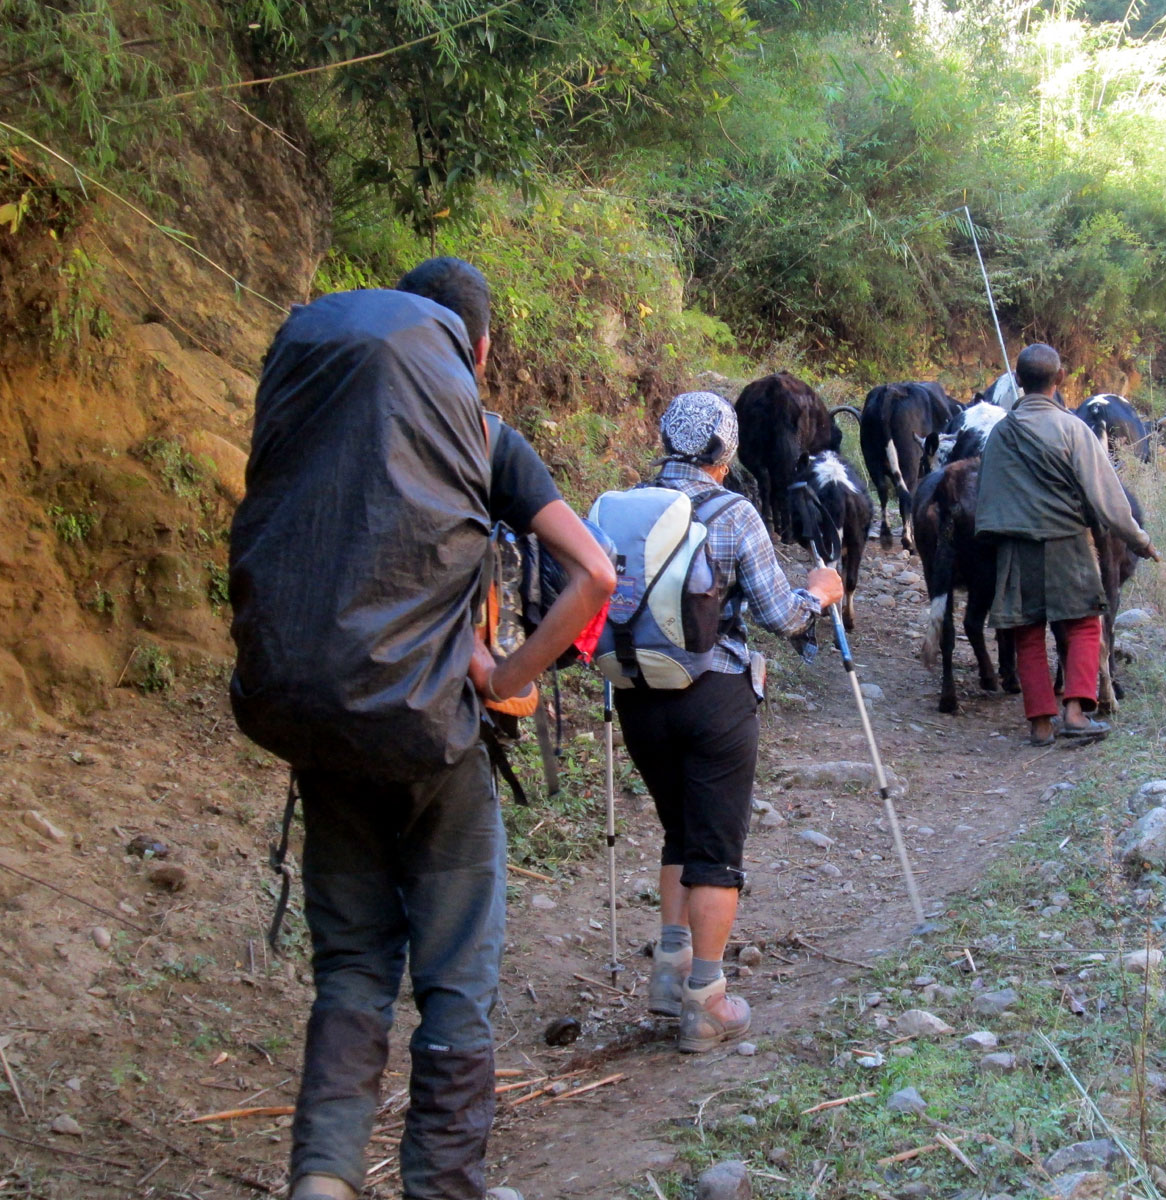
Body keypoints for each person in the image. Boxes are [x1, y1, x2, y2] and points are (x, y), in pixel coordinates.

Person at [280, 259, 615, 1200]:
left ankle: (322, 1182)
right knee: (456, 982)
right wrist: (506, 674)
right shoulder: (480, 436)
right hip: (439, 742)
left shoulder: (318, 428)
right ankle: (442, 1185)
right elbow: (594, 573)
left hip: (329, 735)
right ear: (476, 349)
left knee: (350, 971)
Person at [613, 391, 843, 1052]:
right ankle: (707, 1004)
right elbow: (782, 615)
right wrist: (821, 593)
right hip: (714, 697)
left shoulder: (625, 505)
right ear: (725, 449)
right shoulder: (734, 512)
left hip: (637, 692)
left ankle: (670, 972)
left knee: (678, 832)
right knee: (716, 849)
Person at [974, 343, 1159, 747]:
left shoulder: (1001, 433)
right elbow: (1108, 497)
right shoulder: (1074, 429)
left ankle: (1040, 724)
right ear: (1060, 380)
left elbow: (986, 498)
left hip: (1015, 547)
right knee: (1084, 626)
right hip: (1068, 545)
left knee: (1026, 633)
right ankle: (1075, 713)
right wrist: (1139, 540)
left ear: (1017, 381)